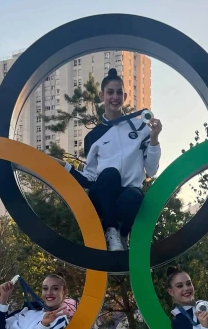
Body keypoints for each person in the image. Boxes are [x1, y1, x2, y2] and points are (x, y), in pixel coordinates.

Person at [62, 68, 162, 251]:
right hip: (104, 196)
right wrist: (66, 168)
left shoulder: (141, 127)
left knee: (133, 196)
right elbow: (90, 177)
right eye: (110, 92)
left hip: (128, 199)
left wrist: (154, 139)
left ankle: (124, 234)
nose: (114, 97)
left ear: (124, 96)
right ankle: (112, 230)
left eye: (118, 93)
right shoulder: (93, 137)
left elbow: (152, 170)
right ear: (101, 96)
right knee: (109, 174)